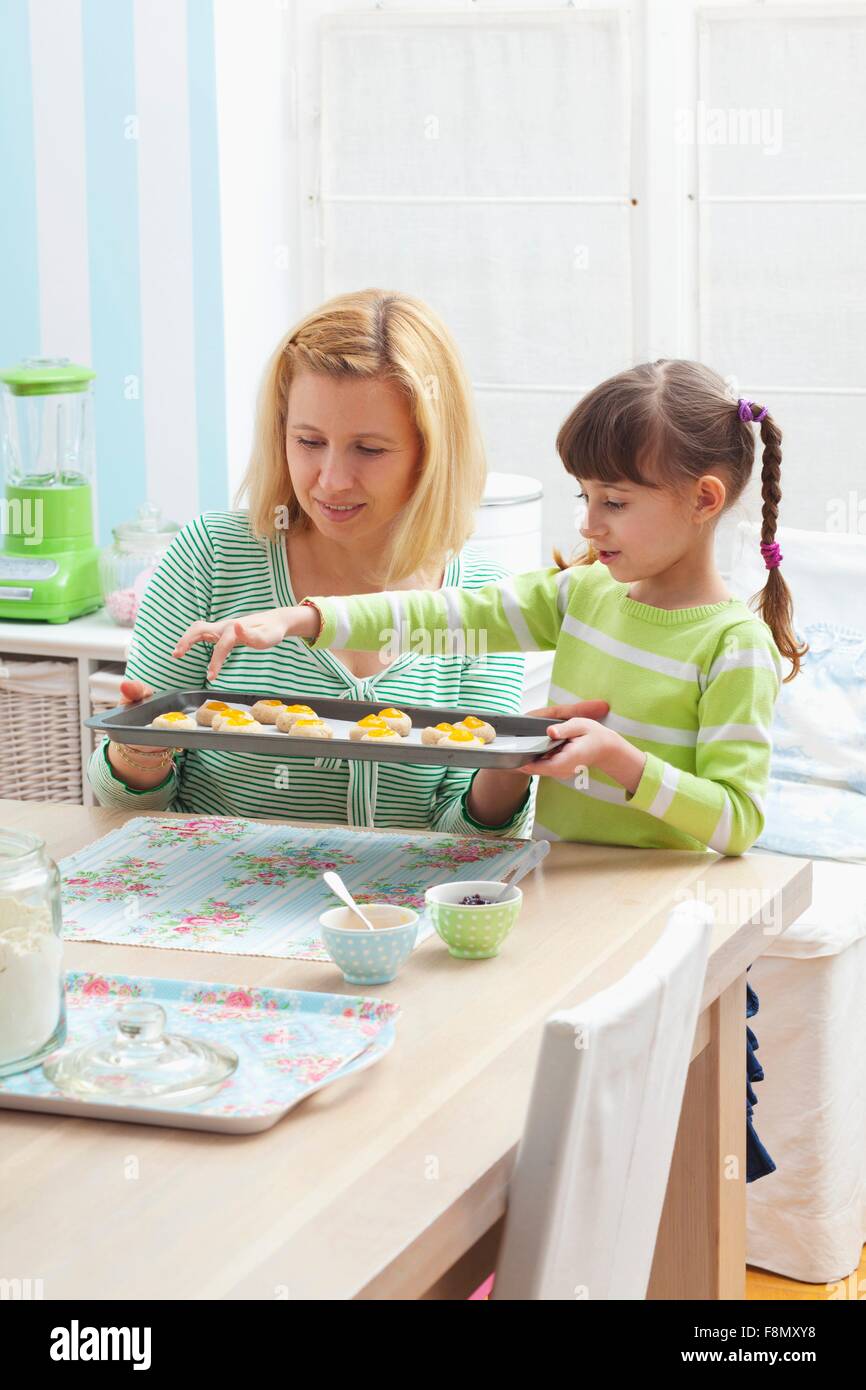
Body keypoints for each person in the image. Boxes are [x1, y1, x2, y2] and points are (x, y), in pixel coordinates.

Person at [174, 358, 807, 1177]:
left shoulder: (732, 644)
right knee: (563, 1132)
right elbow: (448, 615)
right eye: (584, 498)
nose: (590, 524)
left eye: (613, 502)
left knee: (673, 1157)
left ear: (704, 500)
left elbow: (738, 822)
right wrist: (306, 618)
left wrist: (623, 762)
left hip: (662, 929)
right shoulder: (583, 593)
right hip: (562, 902)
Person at [88, 287, 607, 830]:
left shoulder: (480, 599)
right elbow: (128, 811)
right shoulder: (213, 556)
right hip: (220, 901)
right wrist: (138, 755)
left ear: (431, 454)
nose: (332, 480)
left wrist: (510, 765)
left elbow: (465, 839)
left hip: (393, 914)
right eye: (309, 441)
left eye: (370, 449)